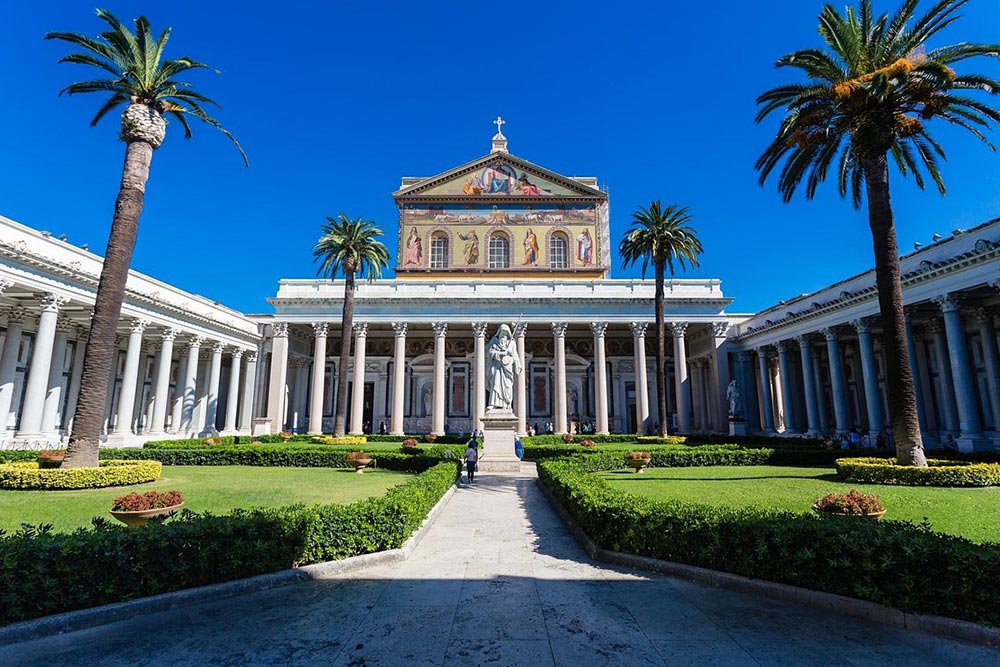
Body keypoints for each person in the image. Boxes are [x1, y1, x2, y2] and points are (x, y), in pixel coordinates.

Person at [486, 324, 522, 411]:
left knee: (507, 386)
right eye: (502, 333)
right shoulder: (495, 342)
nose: (503, 336)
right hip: (497, 367)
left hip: (507, 367)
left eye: (505, 334)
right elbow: (490, 352)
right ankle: (493, 404)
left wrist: (518, 364)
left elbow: (515, 355)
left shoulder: (512, 343)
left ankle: (506, 404)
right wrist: (501, 353)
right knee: (495, 384)